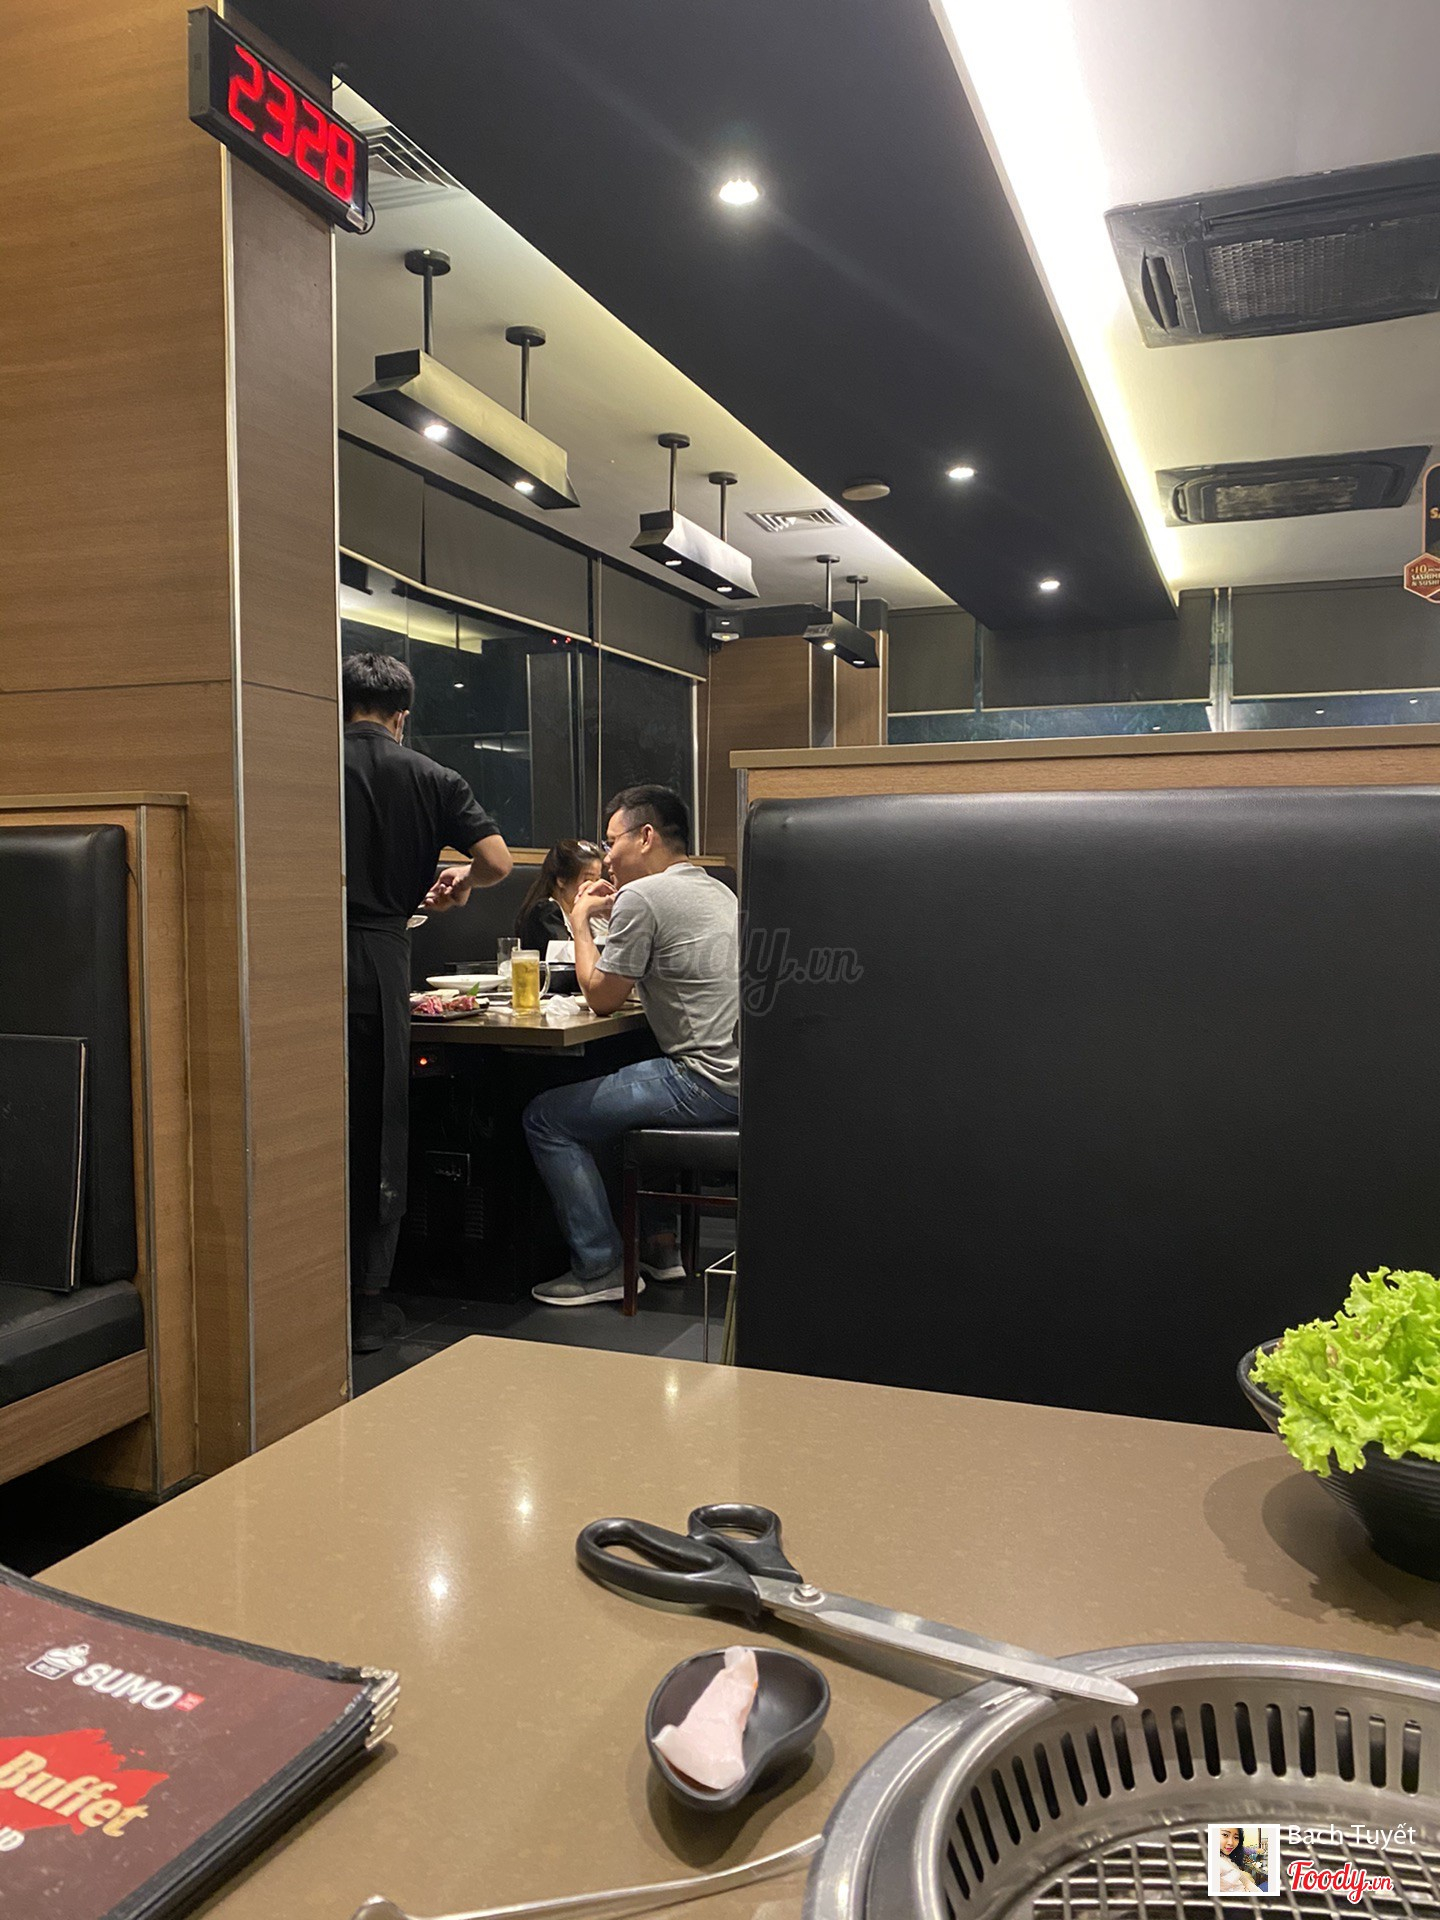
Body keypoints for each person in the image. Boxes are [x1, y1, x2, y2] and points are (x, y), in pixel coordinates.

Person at [343, 651, 513, 1352]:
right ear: (402, 716)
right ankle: (366, 1302)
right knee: (377, 1124)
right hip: (380, 959)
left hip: (294, 962)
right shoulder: (433, 776)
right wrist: (460, 884)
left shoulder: (311, 765)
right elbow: (497, 862)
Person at [523, 784, 738, 1306]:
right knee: (623, 1091)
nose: (607, 856)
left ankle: (600, 1265)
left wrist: (580, 922)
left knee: (547, 1118)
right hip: (743, 1076)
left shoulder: (645, 896)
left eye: (611, 840)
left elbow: (601, 998)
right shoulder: (717, 890)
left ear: (645, 837)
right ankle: (660, 1249)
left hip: (703, 1080)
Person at [514, 839, 605, 954]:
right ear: (561, 880)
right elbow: (566, 955)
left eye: (597, 880)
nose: (594, 887)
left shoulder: (593, 914)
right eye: (587, 879)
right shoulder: (545, 911)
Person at [1214, 1828, 1265, 1895]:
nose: (1231, 1843)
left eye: (1236, 1837)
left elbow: (1244, 1880)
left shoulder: (1226, 1855)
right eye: (1225, 1835)